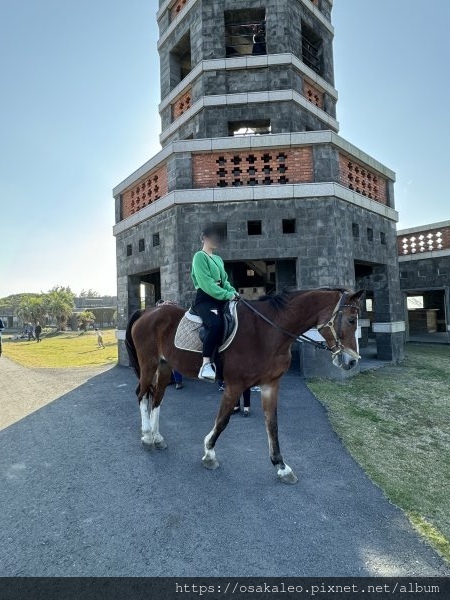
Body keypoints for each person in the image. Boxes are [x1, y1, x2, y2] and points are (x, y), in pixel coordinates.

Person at [191, 225, 239, 381]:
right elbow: (207, 284)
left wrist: (233, 292)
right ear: (204, 238)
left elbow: (224, 281)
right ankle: (206, 364)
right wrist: (227, 295)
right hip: (205, 298)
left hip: (220, 297)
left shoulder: (218, 259)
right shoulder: (199, 256)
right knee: (216, 324)